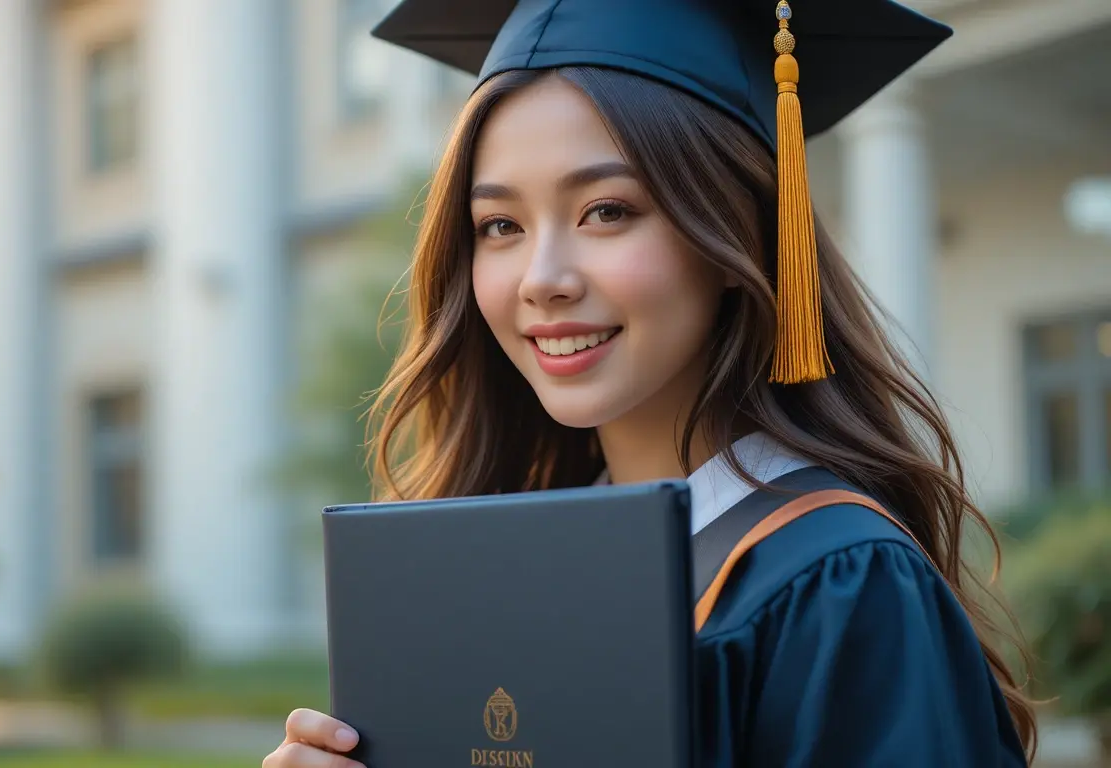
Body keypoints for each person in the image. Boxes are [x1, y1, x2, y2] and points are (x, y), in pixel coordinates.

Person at [264, 0, 1036, 765]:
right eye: (500, 225)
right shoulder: (488, 576)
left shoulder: (839, 582)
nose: (543, 279)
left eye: (607, 210)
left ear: (740, 232)